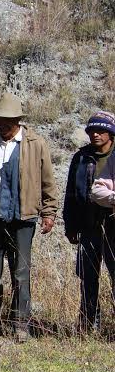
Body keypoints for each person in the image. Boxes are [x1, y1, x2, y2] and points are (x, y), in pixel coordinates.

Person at [0, 93, 59, 342]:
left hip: (23, 217)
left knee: (20, 273)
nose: (2, 125)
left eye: (7, 121)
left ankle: (20, 325)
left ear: (18, 120)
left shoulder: (35, 143)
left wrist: (48, 212)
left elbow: (48, 181)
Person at [69, 112, 115, 333]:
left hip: (113, 225)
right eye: (91, 131)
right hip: (88, 225)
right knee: (87, 276)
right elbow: (71, 193)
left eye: (101, 131)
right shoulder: (81, 157)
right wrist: (71, 225)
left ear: (111, 133)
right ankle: (88, 325)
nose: (95, 134)